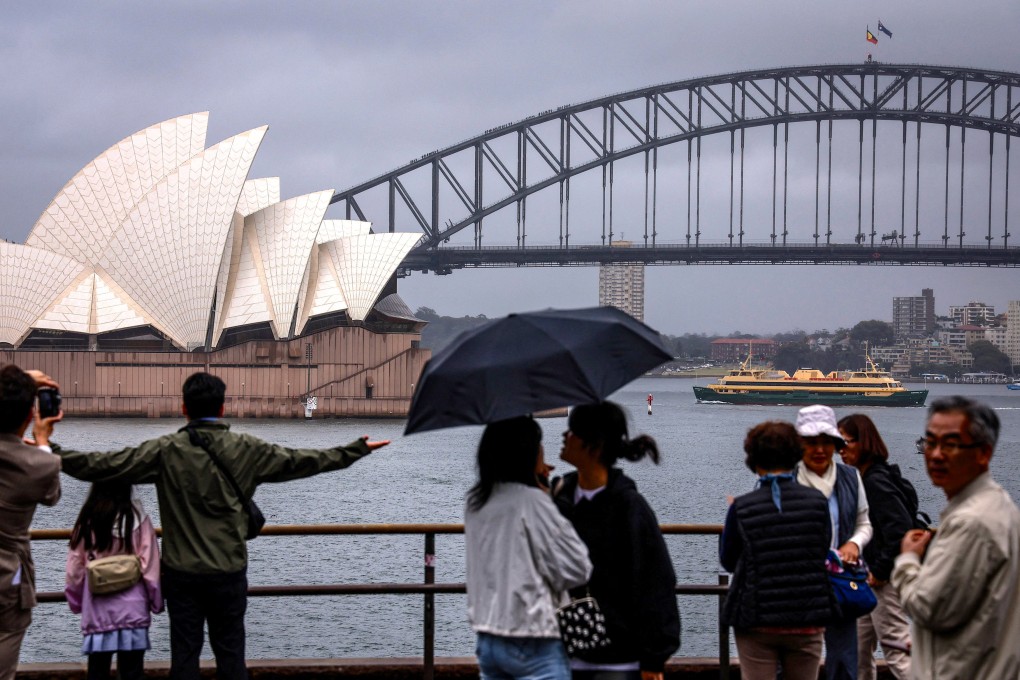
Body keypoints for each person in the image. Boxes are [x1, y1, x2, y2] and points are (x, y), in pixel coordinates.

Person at [35, 372, 390, 680]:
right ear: (222, 408)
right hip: (228, 569)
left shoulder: (167, 449)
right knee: (232, 654)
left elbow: (101, 465)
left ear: (184, 408)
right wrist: (354, 450)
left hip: (182, 573)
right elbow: (304, 462)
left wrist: (46, 444)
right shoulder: (247, 448)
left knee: (185, 656)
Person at [891, 396, 1020, 679]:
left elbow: (927, 608)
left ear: (983, 453)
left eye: (950, 444)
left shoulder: (970, 524)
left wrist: (908, 560)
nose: (936, 454)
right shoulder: (1002, 507)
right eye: (931, 443)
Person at [552, 401, 680, 680]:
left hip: (618, 658)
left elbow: (656, 582)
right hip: (563, 654)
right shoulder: (559, 498)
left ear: (594, 446)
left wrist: (653, 658)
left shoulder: (629, 507)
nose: (564, 437)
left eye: (572, 432)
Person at [465, 416, 592, 680]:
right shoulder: (533, 502)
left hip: (488, 637)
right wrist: (548, 502)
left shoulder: (476, 503)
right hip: (533, 639)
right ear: (527, 454)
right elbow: (578, 568)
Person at [720, 421, 834, 680]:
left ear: (754, 459)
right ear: (796, 456)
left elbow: (729, 561)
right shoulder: (817, 503)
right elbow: (822, 549)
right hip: (807, 615)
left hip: (756, 616)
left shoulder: (742, 507)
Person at [794, 404, 872, 680]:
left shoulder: (850, 477)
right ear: (799, 444)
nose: (819, 449)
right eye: (811, 442)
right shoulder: (785, 480)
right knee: (795, 660)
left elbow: (864, 522)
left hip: (841, 580)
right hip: (796, 585)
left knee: (844, 660)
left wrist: (854, 544)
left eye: (826, 442)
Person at [836, 415, 912, 680]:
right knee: (857, 653)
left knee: (898, 655)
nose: (840, 451)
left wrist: (879, 570)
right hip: (868, 580)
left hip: (882, 582)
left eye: (844, 442)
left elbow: (900, 530)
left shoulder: (874, 481)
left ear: (863, 442)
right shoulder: (870, 476)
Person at [0, 365, 62, 680]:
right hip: (7, 580)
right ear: (29, 416)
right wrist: (41, 440)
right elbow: (52, 496)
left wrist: (19, 380)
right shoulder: (41, 464)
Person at [66, 482, 162, 680]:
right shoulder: (139, 519)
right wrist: (156, 602)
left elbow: (75, 570)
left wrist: (76, 603)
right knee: (132, 672)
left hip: (97, 609)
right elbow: (150, 569)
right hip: (133, 611)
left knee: (97, 672)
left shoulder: (87, 520)